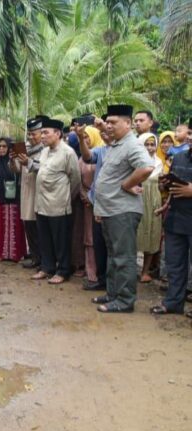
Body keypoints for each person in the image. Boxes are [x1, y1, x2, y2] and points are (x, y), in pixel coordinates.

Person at [86, 105, 154, 313]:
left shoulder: (132, 144)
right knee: (114, 255)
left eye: (113, 122)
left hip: (123, 211)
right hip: (110, 210)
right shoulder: (117, 144)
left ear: (128, 123)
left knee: (123, 257)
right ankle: (113, 294)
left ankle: (124, 301)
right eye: (107, 122)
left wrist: (127, 184)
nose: (109, 126)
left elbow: (146, 167)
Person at [31, 118, 81, 285]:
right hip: (41, 204)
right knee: (44, 238)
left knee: (61, 241)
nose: (42, 136)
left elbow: (75, 180)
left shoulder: (68, 152)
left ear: (58, 133)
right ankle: (47, 267)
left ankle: (63, 271)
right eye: (41, 133)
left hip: (59, 205)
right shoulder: (44, 151)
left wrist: (66, 198)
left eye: (46, 133)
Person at [150, 135, 192, 317]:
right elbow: (173, 189)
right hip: (176, 219)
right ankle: (173, 303)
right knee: (174, 265)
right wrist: (164, 186)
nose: (190, 137)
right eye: (190, 133)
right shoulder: (180, 157)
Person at [11, 117, 47, 269]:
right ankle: (35, 256)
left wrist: (29, 162)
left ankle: (45, 260)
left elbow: (46, 168)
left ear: (41, 133)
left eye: (34, 134)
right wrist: (12, 160)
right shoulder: (25, 148)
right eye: (29, 134)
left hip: (40, 191)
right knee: (29, 225)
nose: (31, 137)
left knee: (41, 228)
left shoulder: (46, 149)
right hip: (26, 190)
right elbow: (16, 169)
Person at [76, 126, 103, 287]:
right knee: (88, 237)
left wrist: (93, 197)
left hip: (101, 201)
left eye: (88, 136)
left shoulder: (102, 154)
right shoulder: (82, 158)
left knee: (100, 237)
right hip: (86, 203)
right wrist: (84, 195)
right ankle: (90, 271)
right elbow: (77, 179)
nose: (85, 139)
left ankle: (101, 272)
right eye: (83, 137)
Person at [136, 133, 163, 283]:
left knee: (153, 233)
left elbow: (161, 184)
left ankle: (145, 272)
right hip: (137, 199)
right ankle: (130, 270)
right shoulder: (135, 161)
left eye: (153, 144)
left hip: (154, 201)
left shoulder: (159, 162)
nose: (150, 147)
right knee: (135, 233)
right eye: (146, 144)